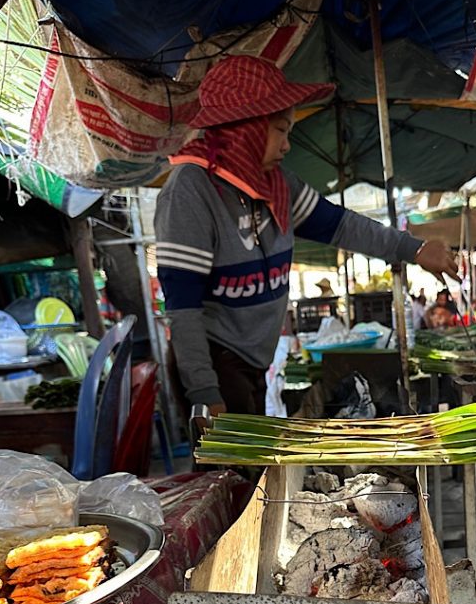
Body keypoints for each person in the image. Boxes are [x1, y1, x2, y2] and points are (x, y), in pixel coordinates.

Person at [155, 55, 458, 420]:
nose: (287, 146)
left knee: (258, 455)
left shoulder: (276, 184)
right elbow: (183, 307)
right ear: (246, 129)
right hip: (214, 362)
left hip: (255, 360)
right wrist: (204, 392)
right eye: (281, 131)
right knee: (235, 457)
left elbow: (342, 225)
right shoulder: (191, 191)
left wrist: (414, 249)